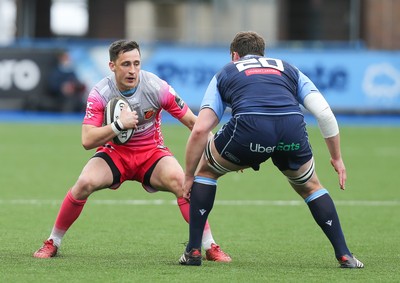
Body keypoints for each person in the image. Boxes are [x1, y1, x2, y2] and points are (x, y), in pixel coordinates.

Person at [178, 31, 364, 268]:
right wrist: (336, 158)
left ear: (235, 55)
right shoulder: (288, 69)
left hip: (248, 131)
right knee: (310, 186)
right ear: (262, 53)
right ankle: (345, 255)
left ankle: (193, 250)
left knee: (207, 172)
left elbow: (200, 129)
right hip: (291, 131)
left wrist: (188, 176)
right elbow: (325, 114)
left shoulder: (226, 71)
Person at [33, 40, 231, 262]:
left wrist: (222, 150)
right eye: (126, 64)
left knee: (182, 184)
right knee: (84, 183)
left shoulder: (157, 87)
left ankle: (210, 245)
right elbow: (87, 140)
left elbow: (194, 123)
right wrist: (119, 125)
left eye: (136, 63)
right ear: (112, 66)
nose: (133, 70)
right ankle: (53, 242)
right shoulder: (100, 92)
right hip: (115, 154)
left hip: (152, 154)